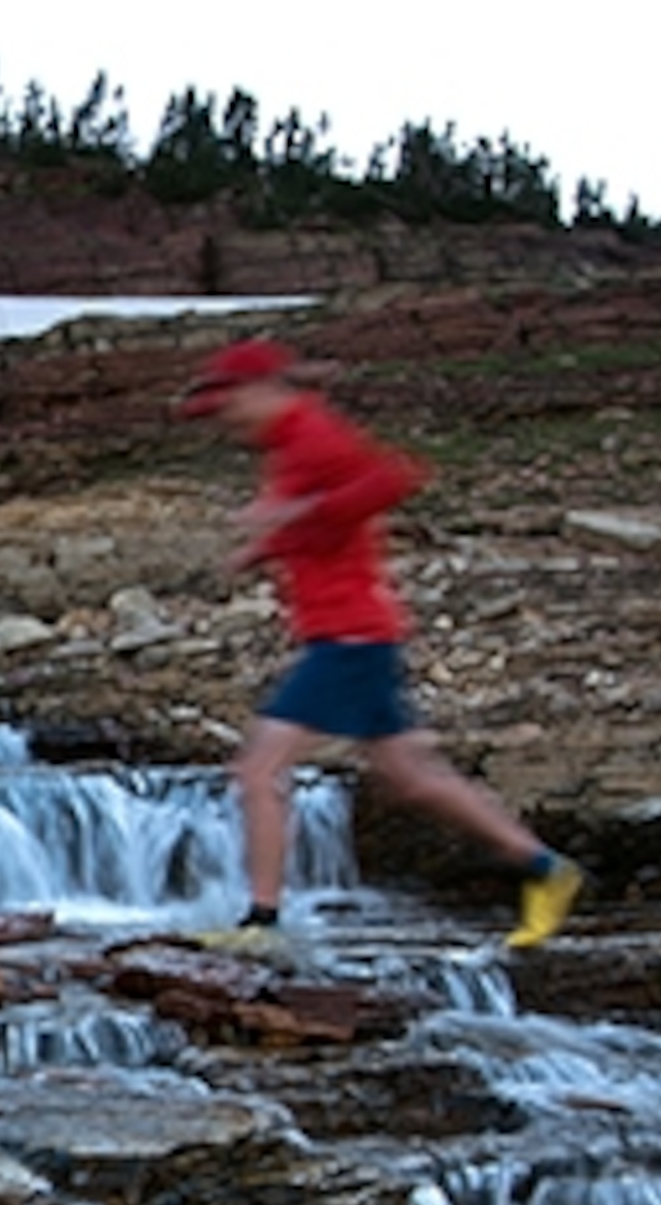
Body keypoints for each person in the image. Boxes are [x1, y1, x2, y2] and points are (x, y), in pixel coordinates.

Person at [179, 338, 581, 948]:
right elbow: (325, 529)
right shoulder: (286, 445)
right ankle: (547, 869)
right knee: (414, 778)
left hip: (348, 636)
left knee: (258, 771)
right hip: (358, 632)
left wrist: (298, 515)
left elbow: (394, 479)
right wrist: (265, 547)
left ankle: (260, 923)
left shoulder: (312, 433)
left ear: (264, 388)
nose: (227, 420)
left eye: (230, 403)